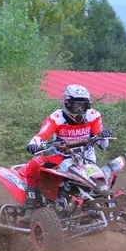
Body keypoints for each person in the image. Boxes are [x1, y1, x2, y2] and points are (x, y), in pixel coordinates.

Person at [19, 84, 111, 221]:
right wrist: (33, 144)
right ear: (67, 104)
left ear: (88, 106)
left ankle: (105, 206)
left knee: (106, 178)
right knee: (34, 163)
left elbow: (103, 145)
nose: (79, 110)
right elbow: (41, 135)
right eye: (75, 106)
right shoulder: (56, 117)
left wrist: (104, 135)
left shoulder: (94, 115)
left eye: (83, 106)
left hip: (87, 159)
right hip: (62, 158)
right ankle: (31, 207)